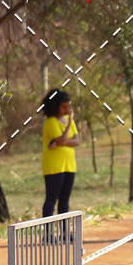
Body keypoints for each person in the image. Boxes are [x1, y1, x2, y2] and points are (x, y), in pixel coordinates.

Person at [41, 89, 80, 218]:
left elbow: (77, 141)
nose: (68, 110)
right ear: (55, 106)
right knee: (52, 199)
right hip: (54, 167)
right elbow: (64, 140)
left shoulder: (69, 119)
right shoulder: (50, 122)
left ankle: (64, 232)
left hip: (69, 165)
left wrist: (60, 143)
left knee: (64, 200)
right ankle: (48, 233)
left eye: (69, 106)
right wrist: (69, 124)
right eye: (64, 107)